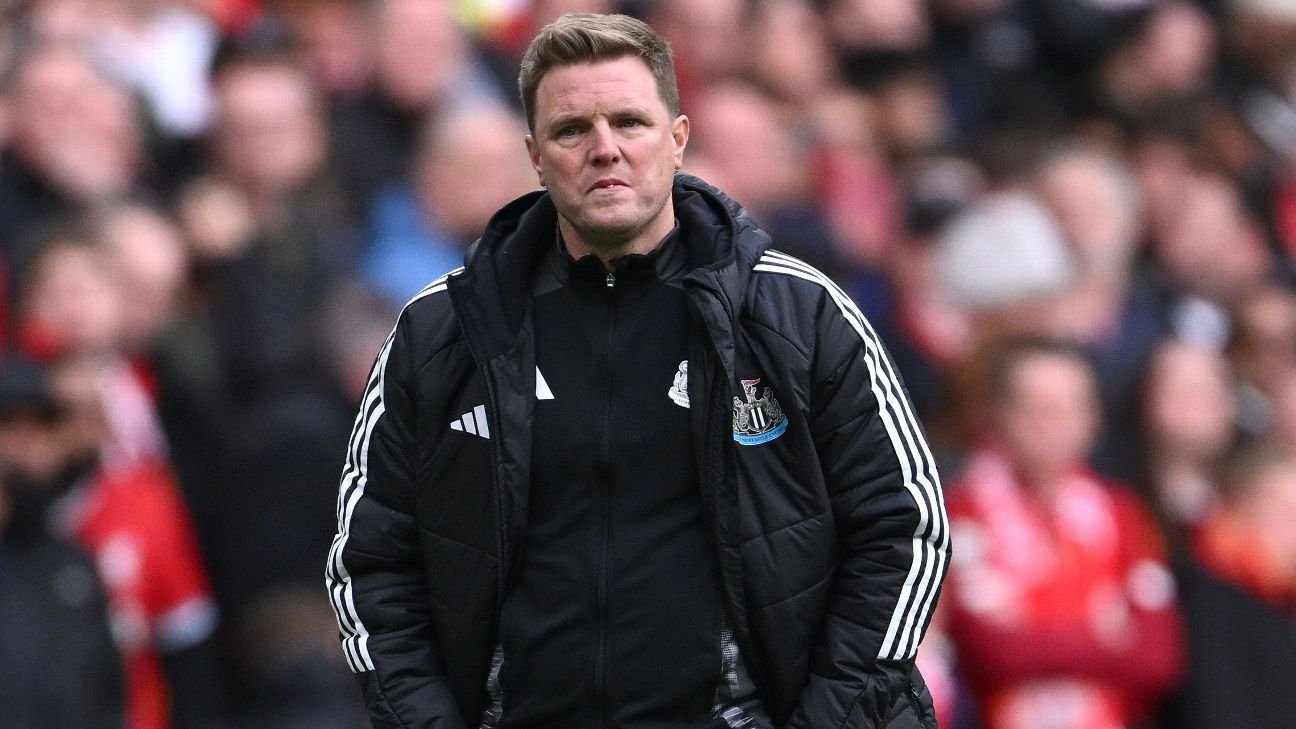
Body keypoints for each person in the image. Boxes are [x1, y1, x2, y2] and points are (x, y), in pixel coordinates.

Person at [326, 12, 948, 729]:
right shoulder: (443, 330)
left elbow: (906, 528)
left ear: (677, 139)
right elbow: (368, 560)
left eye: (629, 122)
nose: (605, 149)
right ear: (535, 156)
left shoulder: (799, 315)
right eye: (571, 130)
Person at [941, 337, 1183, 729]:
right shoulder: (958, 511)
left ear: (1094, 420)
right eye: (1036, 407)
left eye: (1069, 407)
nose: (1051, 424)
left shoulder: (1122, 513)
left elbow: (1157, 658)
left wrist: (1029, 639)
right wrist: (1101, 640)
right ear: (998, 415)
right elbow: (986, 652)